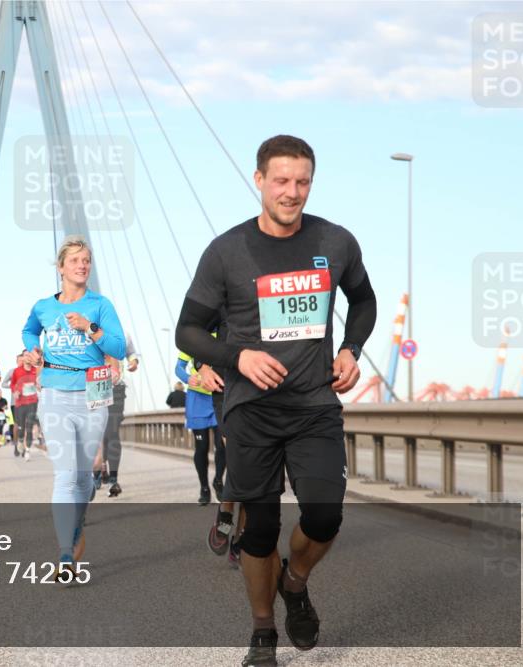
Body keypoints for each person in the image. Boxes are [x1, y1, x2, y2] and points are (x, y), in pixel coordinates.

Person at [176, 135, 377, 666]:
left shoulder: (336, 242)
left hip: (314, 405)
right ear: (259, 179)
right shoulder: (226, 252)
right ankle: (263, 631)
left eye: (303, 182)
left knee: (325, 515)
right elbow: (188, 331)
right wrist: (237, 357)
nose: (292, 192)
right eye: (282, 180)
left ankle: (296, 582)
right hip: (250, 410)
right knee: (260, 529)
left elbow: (364, 299)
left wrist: (352, 349)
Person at [22, 235, 126, 582]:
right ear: (61, 267)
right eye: (76, 260)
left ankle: (79, 515)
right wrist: (33, 351)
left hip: (93, 391)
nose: (83, 265)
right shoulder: (43, 307)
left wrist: (90, 328)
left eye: (87, 260)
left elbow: (118, 348)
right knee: (66, 475)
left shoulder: (101, 304)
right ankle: (66, 555)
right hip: (54, 391)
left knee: (83, 477)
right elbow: (28, 331)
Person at [93, 335, 138, 496]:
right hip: (93, 387)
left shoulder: (123, 335)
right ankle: (97, 470)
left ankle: (113, 479)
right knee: (98, 435)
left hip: (116, 388)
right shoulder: (86, 329)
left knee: (111, 433)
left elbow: (131, 353)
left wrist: (133, 361)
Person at [175, 351, 218, 505]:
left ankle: (218, 481)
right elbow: (179, 367)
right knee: (202, 446)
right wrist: (187, 378)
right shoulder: (194, 335)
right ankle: (204, 488)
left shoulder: (223, 331)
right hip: (197, 399)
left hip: (219, 396)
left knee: (223, 445)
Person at [7, 351, 41, 460]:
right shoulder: (17, 371)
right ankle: (20, 440)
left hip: (32, 402)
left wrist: (39, 386)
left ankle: (27, 450)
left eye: (29, 355)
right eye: (25, 355)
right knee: (21, 428)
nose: (27, 357)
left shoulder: (35, 370)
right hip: (20, 403)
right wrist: (15, 391)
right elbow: (12, 384)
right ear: (23, 357)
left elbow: (39, 383)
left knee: (30, 427)